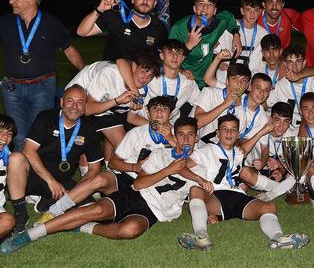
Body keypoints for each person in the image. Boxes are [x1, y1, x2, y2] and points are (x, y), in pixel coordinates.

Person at [1, 117, 212, 253]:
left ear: (197, 138)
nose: (185, 140)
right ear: (174, 135)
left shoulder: (201, 167)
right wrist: (168, 170)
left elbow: (198, 193)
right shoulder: (160, 154)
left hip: (156, 211)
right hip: (136, 195)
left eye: (191, 135)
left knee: (129, 231)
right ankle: (29, 235)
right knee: (97, 209)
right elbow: (138, 185)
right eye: (181, 134)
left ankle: (82, 228)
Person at [34, 96, 178, 225]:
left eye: (164, 109)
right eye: (155, 108)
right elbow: (114, 162)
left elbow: (189, 160)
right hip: (128, 178)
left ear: (170, 115)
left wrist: (171, 140)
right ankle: (52, 211)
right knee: (99, 178)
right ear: (148, 113)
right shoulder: (136, 133)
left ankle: (84, 220)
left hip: (153, 186)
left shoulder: (179, 136)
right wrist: (134, 167)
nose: (159, 112)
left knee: (108, 215)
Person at [178, 114, 309, 250]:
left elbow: (251, 142)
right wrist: (200, 180)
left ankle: (278, 238)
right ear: (217, 133)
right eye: (224, 129)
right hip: (216, 197)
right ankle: (201, 236)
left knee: (269, 207)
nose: (229, 133)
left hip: (239, 196)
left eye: (233, 129)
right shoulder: (206, 151)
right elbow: (181, 168)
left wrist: (265, 129)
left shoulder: (239, 152)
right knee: (195, 190)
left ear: (238, 134)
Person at [0, 0, 85, 151]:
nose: (10, 1)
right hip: (12, 89)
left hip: (42, 88)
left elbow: (69, 50)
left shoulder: (51, 23)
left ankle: (35, 175)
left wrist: (87, 73)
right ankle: (19, 175)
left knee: (36, 135)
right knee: (18, 136)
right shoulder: (5, 22)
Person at [7, 85, 103, 233]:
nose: (74, 106)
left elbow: (95, 169)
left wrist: (75, 192)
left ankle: (45, 202)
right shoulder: (46, 117)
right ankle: (21, 214)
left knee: (92, 210)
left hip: (63, 182)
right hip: (34, 175)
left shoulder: (89, 128)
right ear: (61, 102)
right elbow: (29, 151)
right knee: (15, 158)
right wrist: (51, 182)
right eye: (70, 101)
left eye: (80, 102)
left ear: (85, 106)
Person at [76, 0, 167, 94]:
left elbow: (161, 57)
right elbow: (82, 32)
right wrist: (99, 10)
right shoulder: (116, 17)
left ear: (154, 3)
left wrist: (181, 70)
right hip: (110, 79)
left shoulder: (159, 28)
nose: (145, 1)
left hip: (139, 82)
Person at [85, 52, 160, 161]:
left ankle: (110, 170)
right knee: (81, 143)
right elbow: (87, 109)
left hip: (106, 108)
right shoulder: (111, 73)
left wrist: (157, 125)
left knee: (124, 151)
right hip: (83, 95)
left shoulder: (144, 89)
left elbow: (132, 118)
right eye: (144, 71)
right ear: (134, 67)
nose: (145, 78)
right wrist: (116, 101)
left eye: (150, 75)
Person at [169, 0, 241, 88]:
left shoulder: (218, 23)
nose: (205, 7)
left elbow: (228, 17)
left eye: (210, 4)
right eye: (201, 3)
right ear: (194, 8)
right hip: (184, 80)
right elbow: (168, 60)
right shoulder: (178, 28)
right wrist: (188, 45)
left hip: (206, 80)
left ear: (215, 11)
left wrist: (236, 34)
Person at [135, 39, 200, 125]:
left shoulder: (188, 82)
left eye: (179, 53)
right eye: (170, 52)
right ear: (162, 56)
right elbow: (132, 117)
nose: (175, 56)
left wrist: (188, 124)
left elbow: (200, 105)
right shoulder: (150, 77)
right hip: (144, 124)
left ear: (183, 58)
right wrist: (157, 128)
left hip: (172, 128)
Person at [266, 46, 314, 128]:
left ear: (304, 62)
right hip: (289, 128)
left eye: (298, 61)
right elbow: (265, 104)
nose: (294, 66)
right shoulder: (280, 85)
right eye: (290, 62)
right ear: (285, 64)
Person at [0, 115, 16, 240]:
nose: (4, 137)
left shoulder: (9, 157)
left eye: (9, 133)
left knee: (8, 221)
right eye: (0, 131)